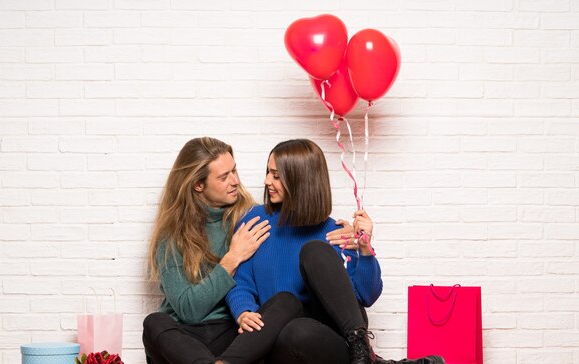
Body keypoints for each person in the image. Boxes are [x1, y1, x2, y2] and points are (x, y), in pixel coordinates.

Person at [225, 139, 444, 364]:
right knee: (296, 331)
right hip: (280, 337)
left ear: (300, 180)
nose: (266, 181)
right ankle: (376, 363)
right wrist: (244, 311)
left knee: (315, 252)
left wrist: (365, 248)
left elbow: (365, 296)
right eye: (268, 173)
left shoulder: (334, 233)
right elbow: (239, 280)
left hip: (329, 342)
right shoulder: (256, 220)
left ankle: (363, 353)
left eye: (276, 176)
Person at [142, 137, 303, 364]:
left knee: (286, 301)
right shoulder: (171, 236)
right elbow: (189, 310)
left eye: (234, 171)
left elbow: (300, 228)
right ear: (199, 185)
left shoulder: (250, 218)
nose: (235, 181)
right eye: (223, 177)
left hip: (233, 335)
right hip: (185, 340)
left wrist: (346, 234)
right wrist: (232, 258)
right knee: (155, 322)